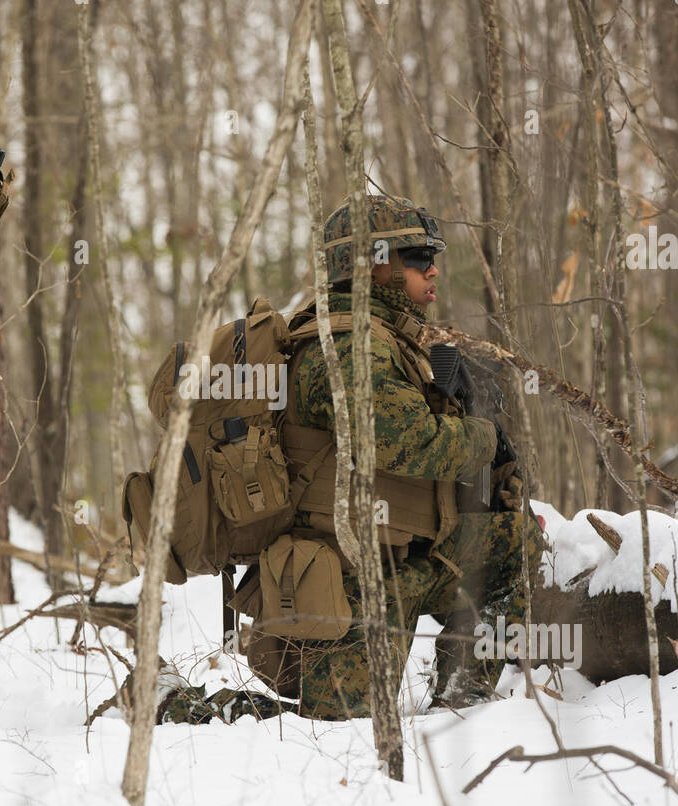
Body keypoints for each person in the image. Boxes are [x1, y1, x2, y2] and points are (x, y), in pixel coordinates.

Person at [158, 194, 545, 724]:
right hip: (340, 588)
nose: (433, 269)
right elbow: (406, 441)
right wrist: (485, 435)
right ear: (374, 265)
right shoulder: (343, 347)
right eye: (417, 258)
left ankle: (462, 692)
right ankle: (169, 701)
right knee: (328, 728)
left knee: (512, 543)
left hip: (400, 566)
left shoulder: (391, 343)